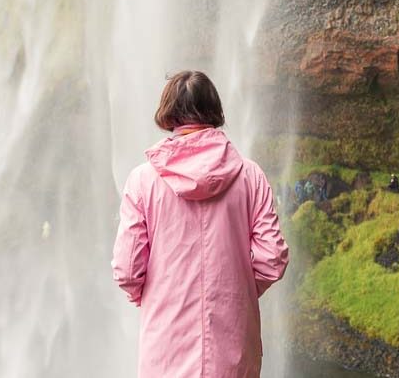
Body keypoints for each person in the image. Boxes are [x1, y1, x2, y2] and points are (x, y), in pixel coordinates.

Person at [113, 71, 289, 377]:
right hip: (233, 351)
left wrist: (159, 298)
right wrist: (237, 291)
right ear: (215, 110)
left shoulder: (142, 180)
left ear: (168, 112)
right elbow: (272, 259)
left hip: (165, 350)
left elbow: (128, 270)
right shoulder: (251, 176)